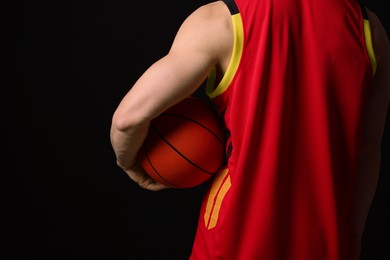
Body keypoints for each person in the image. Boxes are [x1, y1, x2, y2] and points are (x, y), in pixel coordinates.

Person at [110, 0, 390, 259]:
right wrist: (352, 234)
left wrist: (130, 165)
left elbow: (128, 119)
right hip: (326, 243)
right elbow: (368, 150)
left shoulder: (221, 20)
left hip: (231, 242)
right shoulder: (369, 29)